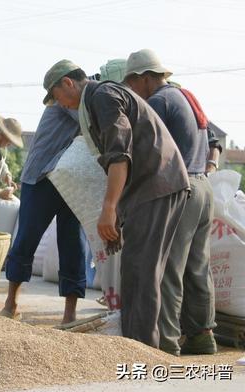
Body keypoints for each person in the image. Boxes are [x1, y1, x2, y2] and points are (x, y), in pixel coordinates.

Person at [44, 59, 189, 348]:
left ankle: (143, 350)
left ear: (68, 83)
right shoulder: (97, 101)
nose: (59, 104)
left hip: (157, 185)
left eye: (56, 97)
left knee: (142, 271)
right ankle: (135, 344)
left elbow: (120, 156)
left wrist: (109, 209)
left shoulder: (103, 96)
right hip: (149, 188)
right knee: (135, 270)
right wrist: (118, 214)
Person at [124, 49, 217, 355]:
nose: (132, 91)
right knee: (197, 268)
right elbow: (211, 143)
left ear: (144, 78)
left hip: (182, 191)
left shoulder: (158, 102)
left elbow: (145, 153)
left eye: (132, 84)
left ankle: (165, 343)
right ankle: (203, 336)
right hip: (204, 188)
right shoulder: (187, 97)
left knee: (167, 269)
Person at [1, 103, 88, 324]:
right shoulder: (63, 103)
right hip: (40, 179)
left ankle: (70, 314)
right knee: (26, 239)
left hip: (72, 180)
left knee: (73, 244)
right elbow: (93, 120)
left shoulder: (88, 99)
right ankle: (10, 304)